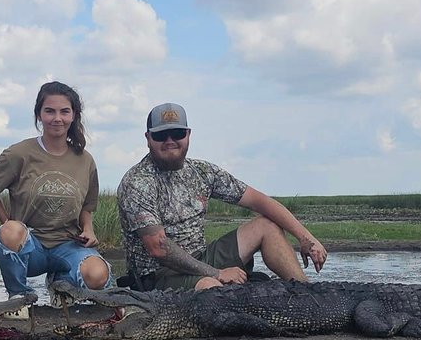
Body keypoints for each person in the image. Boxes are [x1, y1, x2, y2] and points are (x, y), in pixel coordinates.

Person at [115, 102, 328, 291]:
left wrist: (306, 238)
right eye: (161, 135)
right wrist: (216, 273)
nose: (170, 141)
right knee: (212, 288)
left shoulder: (203, 171)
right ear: (148, 138)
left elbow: (260, 201)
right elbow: (158, 248)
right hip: (158, 274)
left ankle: (306, 292)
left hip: (202, 257)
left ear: (188, 134)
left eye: (177, 133)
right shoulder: (137, 182)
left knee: (267, 225)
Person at [0, 81, 112, 298]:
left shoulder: (85, 160)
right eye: (49, 111)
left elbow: (87, 207)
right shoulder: (19, 153)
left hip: (68, 244)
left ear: (74, 115)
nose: (57, 118)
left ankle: (62, 286)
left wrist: (89, 229)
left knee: (98, 275)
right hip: (32, 247)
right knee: (10, 231)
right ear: (39, 115)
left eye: (64, 112)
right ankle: (19, 297)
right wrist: (7, 223)